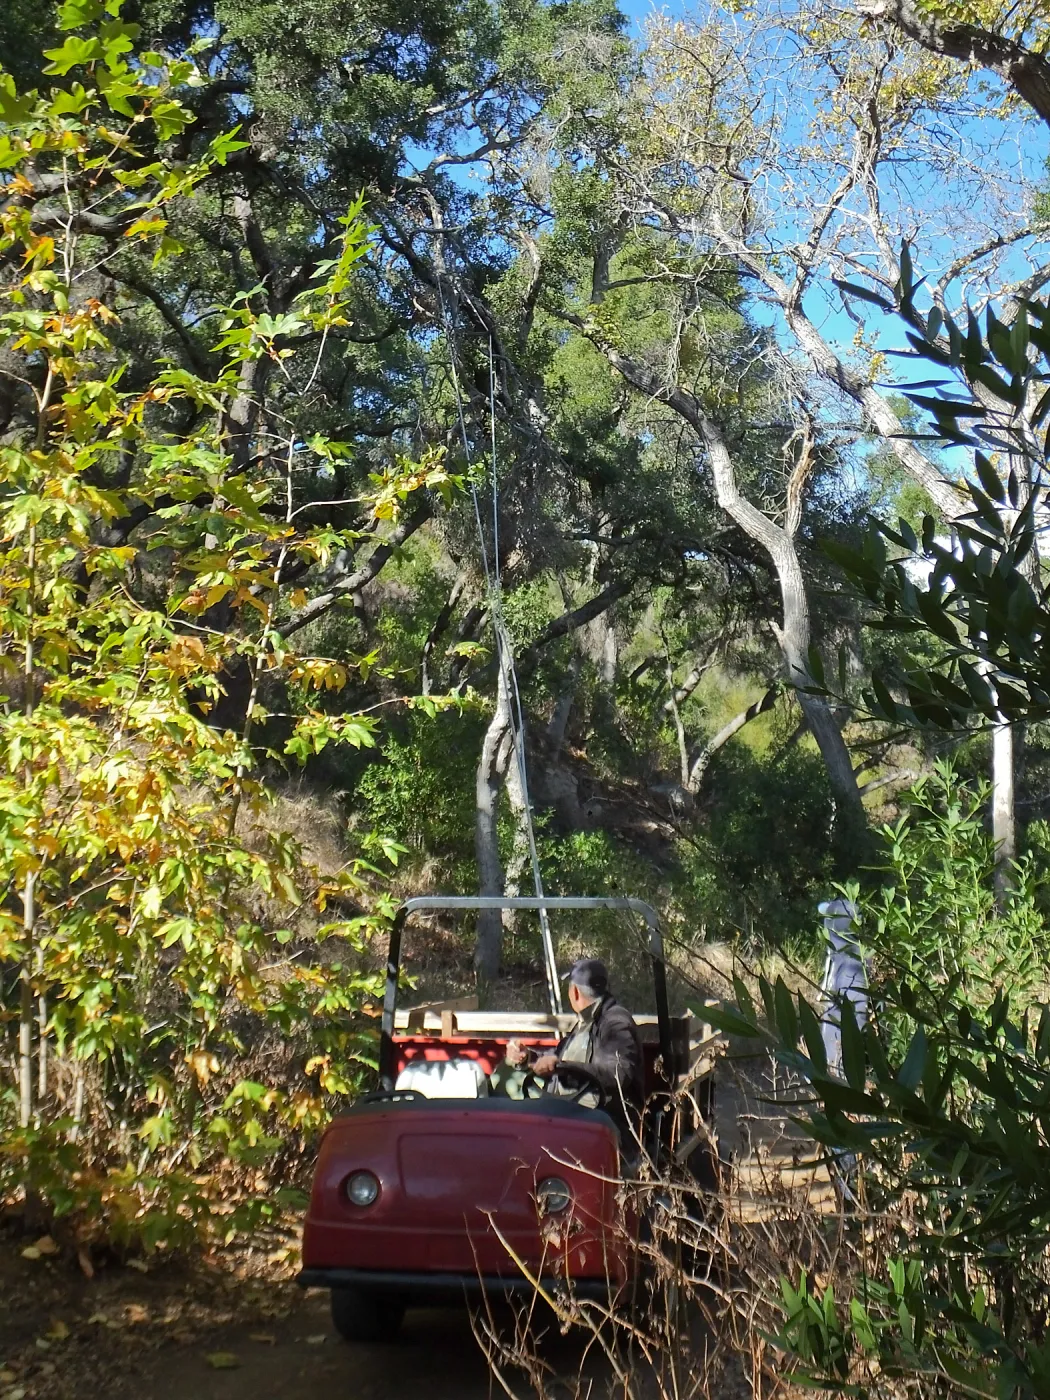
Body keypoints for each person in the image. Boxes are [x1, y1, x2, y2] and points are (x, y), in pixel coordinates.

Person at [502, 958, 643, 1135]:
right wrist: (528, 1057)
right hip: (572, 1116)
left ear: (575, 992)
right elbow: (559, 1057)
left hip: (600, 1126)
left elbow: (617, 1074)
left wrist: (562, 1067)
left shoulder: (613, 1022)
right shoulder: (586, 1022)